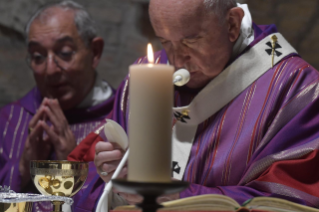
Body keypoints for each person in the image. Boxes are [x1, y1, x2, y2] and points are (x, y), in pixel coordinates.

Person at [69, 0, 319, 211]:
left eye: (191, 41)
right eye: (165, 41)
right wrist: (112, 178)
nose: (176, 60)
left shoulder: (296, 89)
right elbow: (93, 183)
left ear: (231, 24)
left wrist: (179, 197)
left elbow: (289, 200)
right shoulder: (145, 77)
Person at [0, 1, 115, 211]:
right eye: (38, 57)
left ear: (95, 52)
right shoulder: (9, 121)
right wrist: (22, 168)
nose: (50, 70)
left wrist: (77, 170)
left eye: (64, 52)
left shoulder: (121, 121)